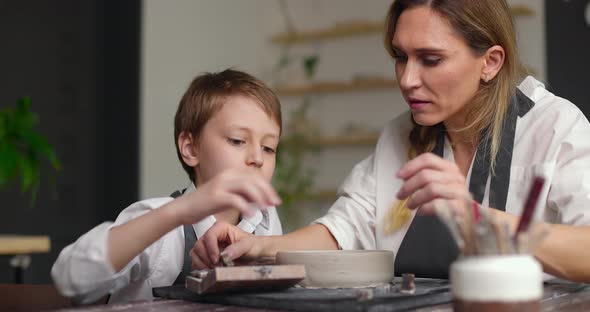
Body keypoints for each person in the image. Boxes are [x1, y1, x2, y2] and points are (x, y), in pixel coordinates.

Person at [193, 0, 590, 282]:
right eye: (400, 56)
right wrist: (257, 246)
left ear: (490, 62)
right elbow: (343, 231)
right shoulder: (400, 137)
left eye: (430, 60)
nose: (407, 79)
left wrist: (475, 218)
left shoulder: (555, 127)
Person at [51, 69, 284, 303]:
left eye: (269, 147)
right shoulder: (161, 224)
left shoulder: (264, 221)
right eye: (237, 140)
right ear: (191, 149)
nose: (258, 158)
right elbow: (70, 279)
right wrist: (178, 212)